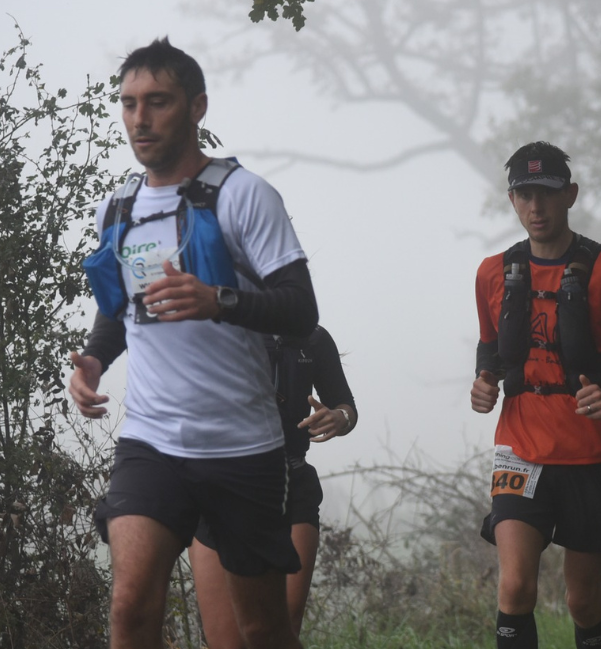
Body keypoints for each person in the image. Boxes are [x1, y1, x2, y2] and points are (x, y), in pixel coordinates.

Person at [67, 38, 317, 649]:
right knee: (128, 607)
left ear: (196, 107)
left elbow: (301, 311)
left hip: (243, 447)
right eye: (128, 103)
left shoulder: (243, 194)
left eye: (157, 102)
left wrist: (220, 300)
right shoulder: (119, 206)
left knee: (259, 626)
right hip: (152, 440)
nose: (140, 118)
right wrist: (95, 360)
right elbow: (120, 310)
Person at [471, 141, 601, 649]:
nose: (537, 207)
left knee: (583, 600)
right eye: (525, 194)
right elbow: (490, 344)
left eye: (548, 194)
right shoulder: (494, 271)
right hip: (519, 443)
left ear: (571, 195)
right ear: (512, 199)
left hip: (587, 453)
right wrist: (484, 380)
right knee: (515, 587)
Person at [187, 326, 358, 648]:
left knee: (284, 625)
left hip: (291, 481)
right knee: (225, 639)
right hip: (219, 487)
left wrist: (340, 418)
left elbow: (345, 404)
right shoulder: (214, 329)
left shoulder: (312, 337)